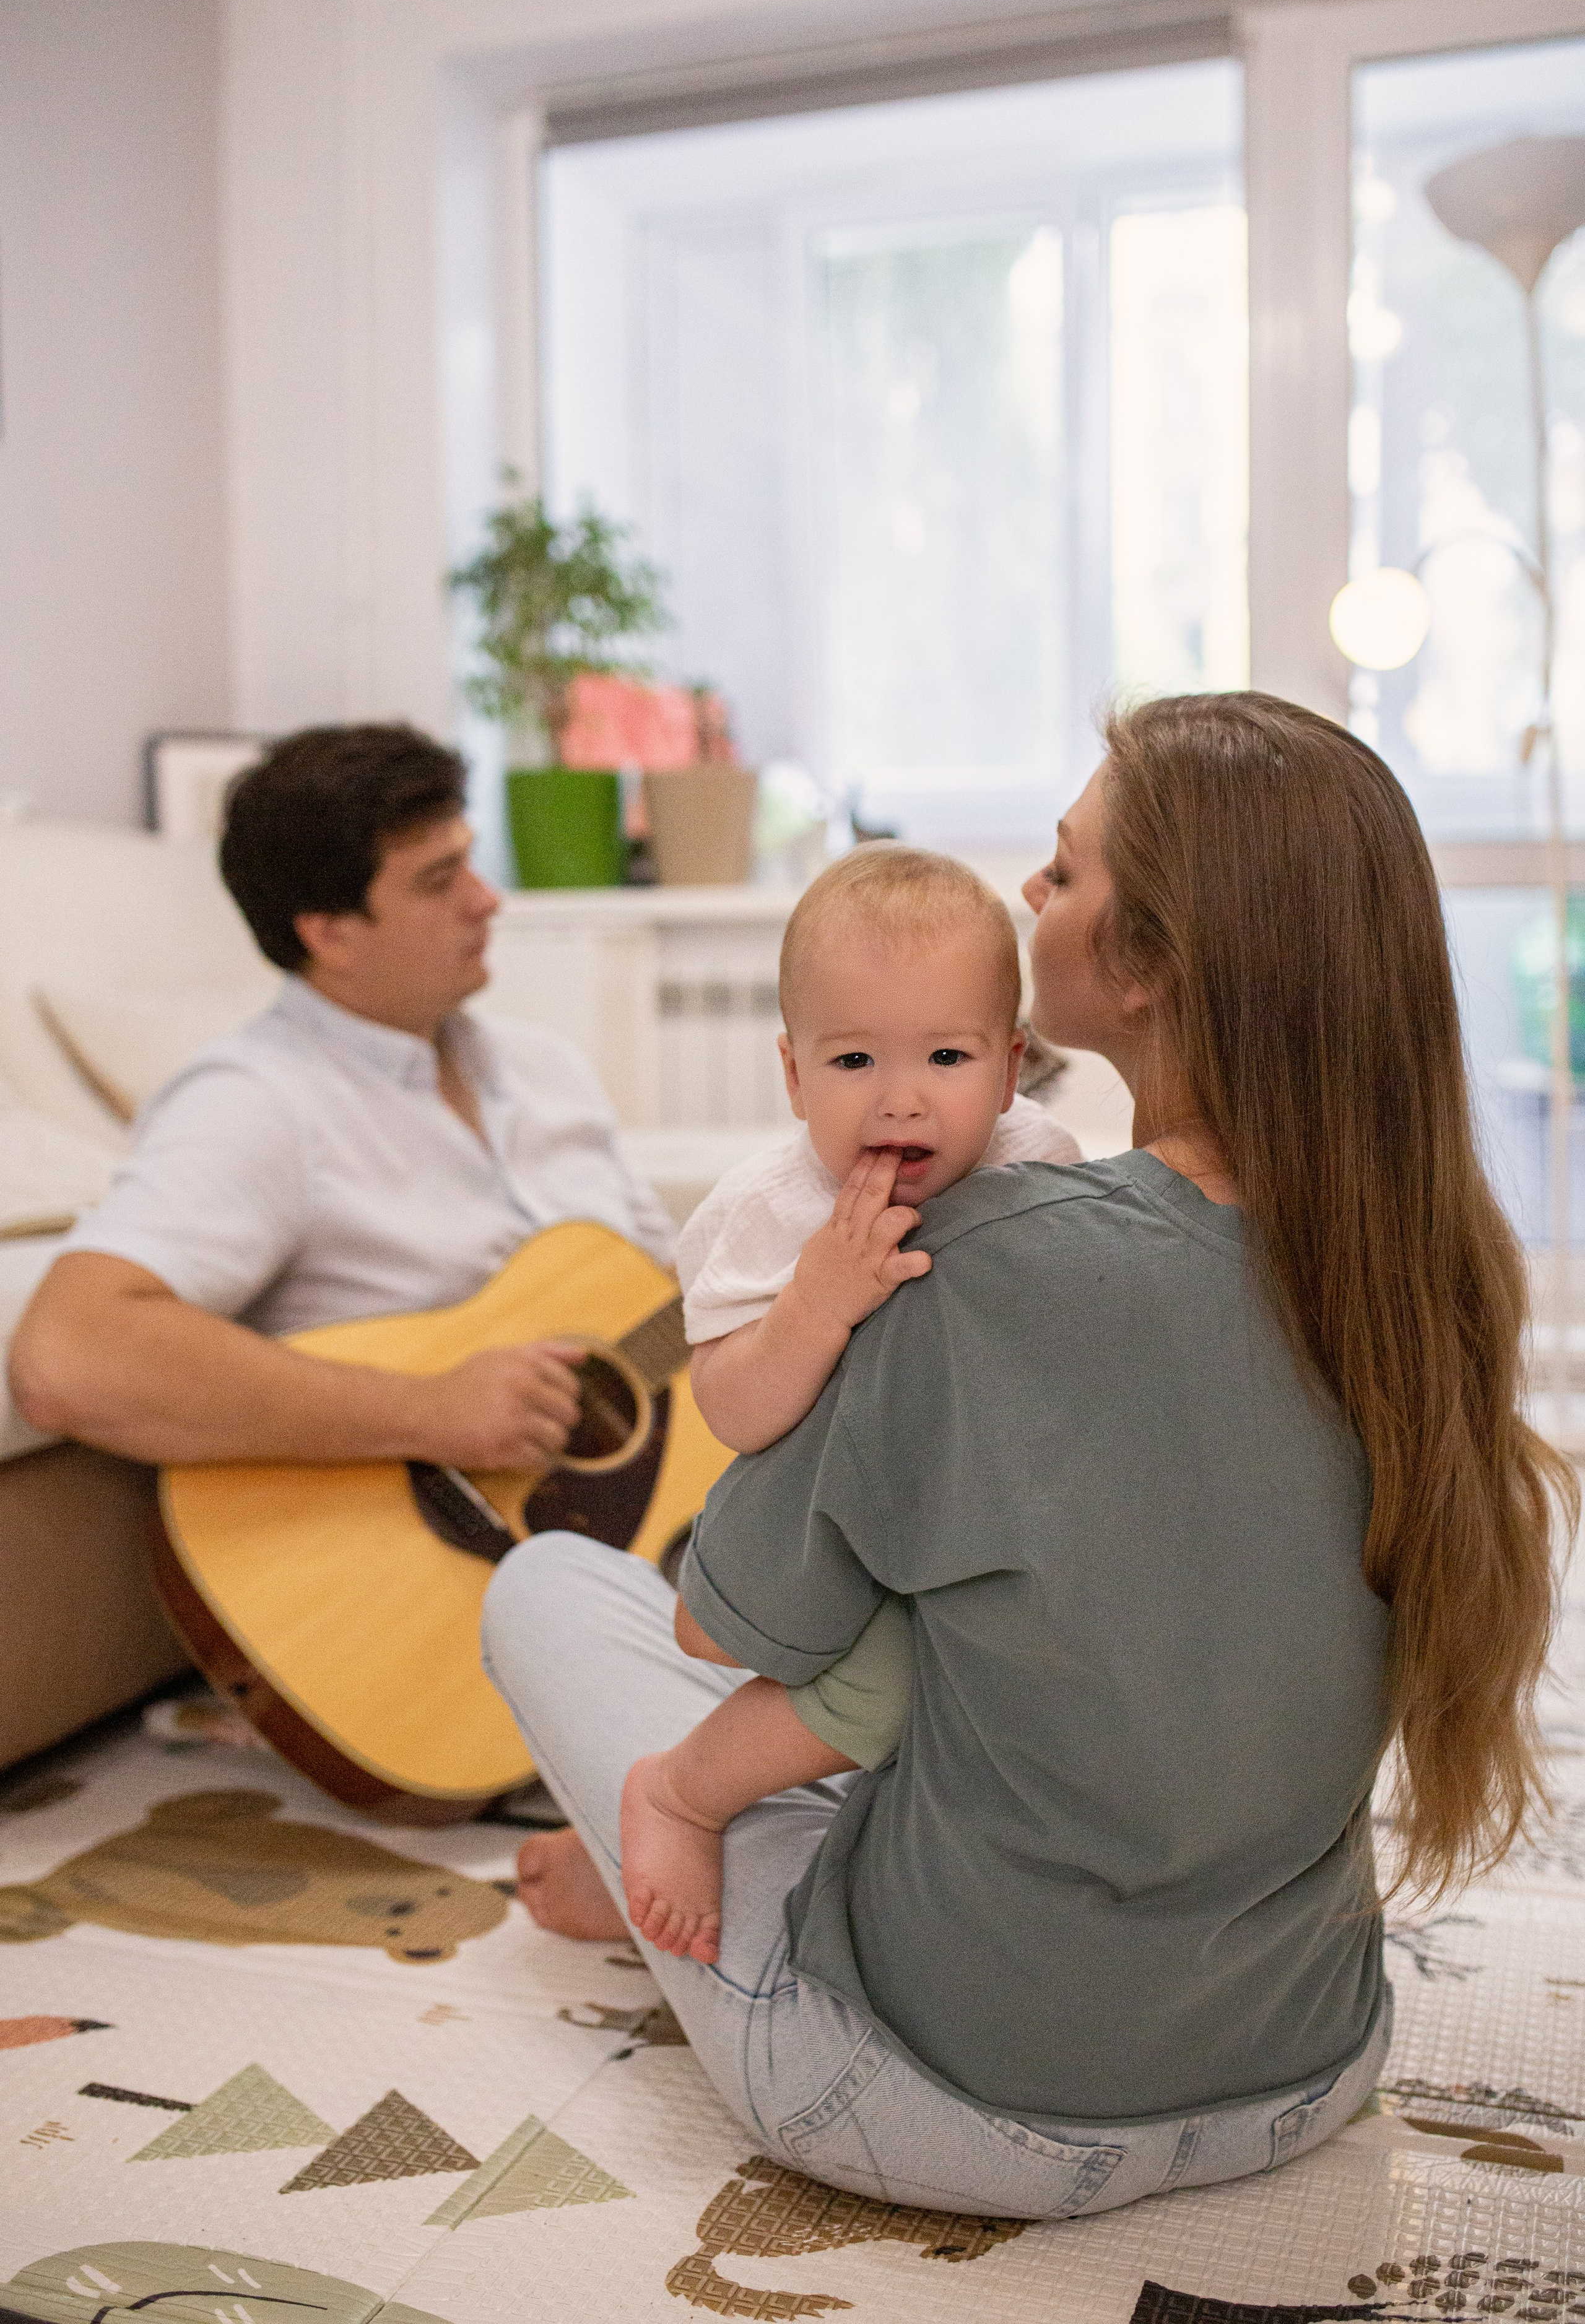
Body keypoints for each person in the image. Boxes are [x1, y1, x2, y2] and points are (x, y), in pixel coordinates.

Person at [480, 692, 1571, 2222]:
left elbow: (721, 1629)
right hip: (1303, 2066)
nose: (1026, 891)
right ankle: (668, 1872)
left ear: (1147, 963)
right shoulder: (1422, 1269)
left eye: (1061, 869)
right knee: (971, 1651)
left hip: (954, 2100)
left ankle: (654, 1875)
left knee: (549, 1585)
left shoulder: (981, 1256)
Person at [620, 846, 1080, 1963]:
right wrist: (814, 1308)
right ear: (794, 1075)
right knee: (879, 1692)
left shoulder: (1039, 1162)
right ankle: (680, 1792)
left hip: (972, 1514)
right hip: (824, 1528)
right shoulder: (771, 1212)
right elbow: (733, 1413)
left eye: (948, 1056)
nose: (901, 1097)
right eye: (855, 1058)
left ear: (1011, 1067)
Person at [9, 723, 674, 1493]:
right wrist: (427, 1410)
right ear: (330, 935)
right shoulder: (255, 1101)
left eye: (470, 860)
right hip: (424, 1536)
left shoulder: (545, 1068)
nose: (485, 900)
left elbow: (667, 1298)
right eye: (438, 881)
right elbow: (68, 1355)